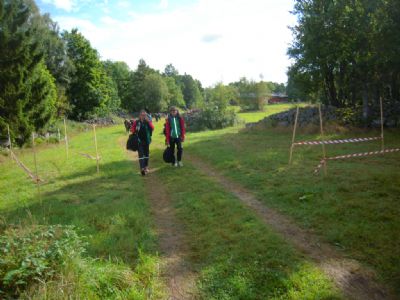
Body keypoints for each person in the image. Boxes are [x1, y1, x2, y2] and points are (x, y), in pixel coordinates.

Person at [131, 109, 154, 176]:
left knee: (146, 154)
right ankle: (142, 168)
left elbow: (152, 128)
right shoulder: (137, 122)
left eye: (145, 115)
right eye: (142, 115)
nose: (143, 116)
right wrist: (134, 131)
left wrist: (148, 122)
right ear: (139, 115)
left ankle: (146, 167)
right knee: (141, 154)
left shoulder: (148, 121)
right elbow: (132, 129)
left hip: (147, 140)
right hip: (139, 141)